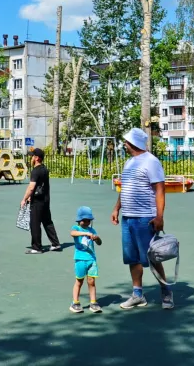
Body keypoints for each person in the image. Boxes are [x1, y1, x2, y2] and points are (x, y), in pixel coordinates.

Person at [111, 128, 173, 310]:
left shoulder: (151, 162)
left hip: (145, 218)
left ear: (133, 143)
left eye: (126, 142)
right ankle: (138, 294)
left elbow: (160, 189)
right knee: (132, 258)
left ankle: (166, 291)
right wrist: (117, 208)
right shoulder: (129, 163)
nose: (124, 144)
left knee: (153, 257)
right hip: (128, 218)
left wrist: (159, 216)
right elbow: (126, 188)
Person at [20, 148, 61, 254]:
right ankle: (55, 244)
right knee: (47, 222)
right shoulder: (44, 169)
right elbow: (41, 185)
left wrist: (24, 199)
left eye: (32, 156)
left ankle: (36, 247)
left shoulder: (35, 171)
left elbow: (31, 187)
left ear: (37, 158)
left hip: (37, 201)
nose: (31, 158)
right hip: (45, 200)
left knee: (35, 223)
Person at [70, 206, 102, 314]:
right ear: (79, 220)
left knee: (91, 281)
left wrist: (97, 238)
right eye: (85, 220)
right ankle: (75, 303)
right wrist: (85, 233)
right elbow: (72, 233)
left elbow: (99, 243)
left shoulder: (92, 230)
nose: (87, 222)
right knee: (79, 281)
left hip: (91, 259)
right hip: (80, 259)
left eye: (89, 220)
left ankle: (93, 302)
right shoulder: (76, 228)